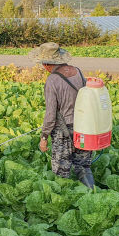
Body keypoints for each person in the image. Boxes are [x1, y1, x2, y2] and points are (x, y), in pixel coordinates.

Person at [29, 42, 95, 189]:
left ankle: (64, 198)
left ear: (46, 64)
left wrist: (44, 137)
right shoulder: (77, 71)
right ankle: (92, 192)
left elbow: (51, 114)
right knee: (83, 165)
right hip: (83, 126)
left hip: (63, 131)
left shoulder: (52, 80)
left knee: (61, 171)